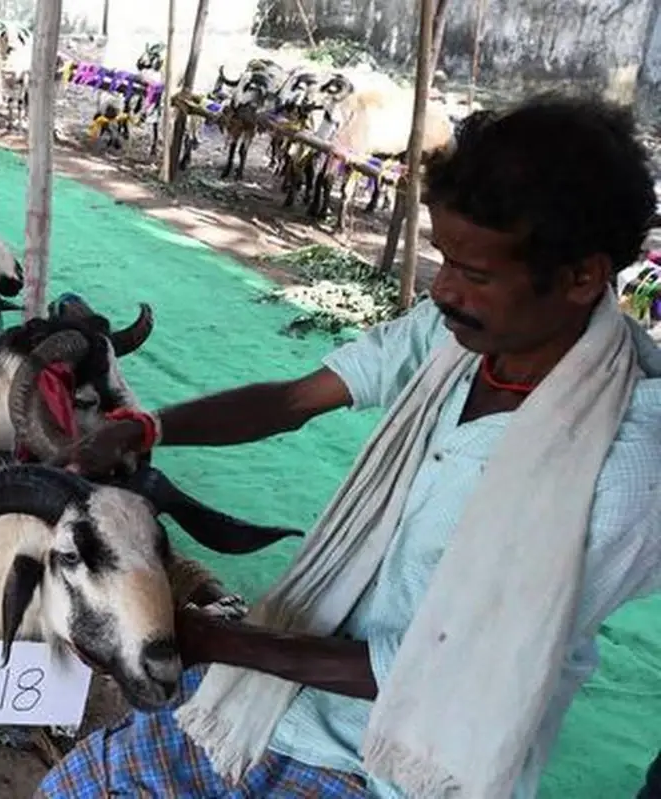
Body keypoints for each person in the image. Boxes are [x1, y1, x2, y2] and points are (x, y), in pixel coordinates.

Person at [35, 94, 661, 798]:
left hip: (398, 763)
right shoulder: (452, 342)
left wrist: (223, 642)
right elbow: (294, 399)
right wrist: (148, 426)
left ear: (582, 276)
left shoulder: (627, 462)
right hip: (279, 703)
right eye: (444, 258)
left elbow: (455, 667)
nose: (443, 290)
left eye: (475, 275)